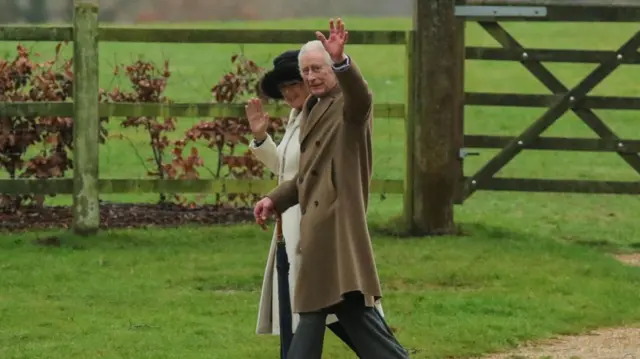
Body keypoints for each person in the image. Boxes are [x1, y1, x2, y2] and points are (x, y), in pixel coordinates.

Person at [253, 19, 410, 359]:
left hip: (337, 232)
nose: (310, 77)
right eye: (306, 70)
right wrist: (274, 199)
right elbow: (308, 175)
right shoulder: (312, 108)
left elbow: (362, 95)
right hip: (319, 233)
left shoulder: (349, 106)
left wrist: (342, 63)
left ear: (333, 70)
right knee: (340, 316)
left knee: (316, 314)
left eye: (318, 69)